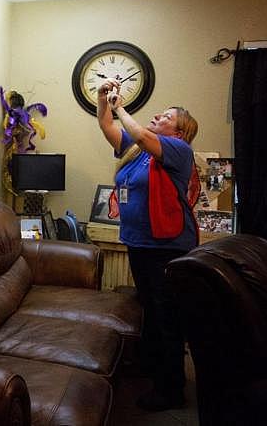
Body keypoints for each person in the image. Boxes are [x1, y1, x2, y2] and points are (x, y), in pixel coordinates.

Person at [96, 79, 199, 412]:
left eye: (167, 116)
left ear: (180, 132)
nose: (158, 115)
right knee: (151, 311)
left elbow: (138, 132)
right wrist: (103, 102)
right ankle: (153, 368)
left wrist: (121, 106)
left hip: (167, 246)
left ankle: (171, 389)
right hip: (140, 242)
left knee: (166, 316)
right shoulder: (138, 152)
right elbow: (107, 125)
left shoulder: (178, 151)